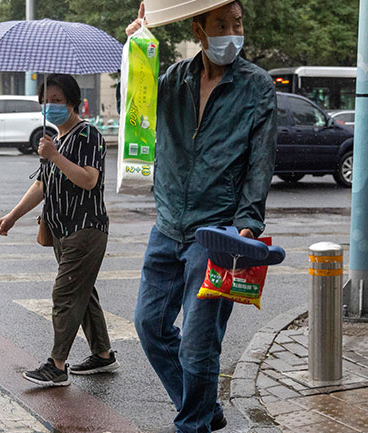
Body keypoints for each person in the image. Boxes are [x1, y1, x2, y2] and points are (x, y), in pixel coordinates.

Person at [125, 2, 277, 431]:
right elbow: (133, 111)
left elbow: (260, 162)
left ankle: (192, 425)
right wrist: (138, 50)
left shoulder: (257, 86)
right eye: (221, 25)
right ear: (199, 29)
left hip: (217, 232)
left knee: (198, 345)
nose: (232, 32)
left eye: (237, 24)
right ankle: (205, 410)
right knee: (149, 326)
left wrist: (248, 223)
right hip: (167, 224)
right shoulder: (173, 79)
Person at [0, 74, 118, 387]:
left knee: (65, 293)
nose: (51, 106)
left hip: (86, 227)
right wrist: (13, 216)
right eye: (46, 101)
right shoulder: (54, 140)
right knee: (83, 292)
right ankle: (102, 354)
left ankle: (57, 365)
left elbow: (89, 179)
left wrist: (55, 156)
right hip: (61, 229)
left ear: (72, 102)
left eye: (57, 101)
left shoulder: (87, 134)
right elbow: (41, 185)